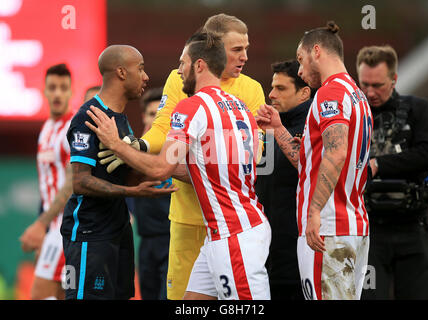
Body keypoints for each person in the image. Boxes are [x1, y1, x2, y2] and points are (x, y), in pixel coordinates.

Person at [86, 32, 271, 300]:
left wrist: (118, 145)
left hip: (234, 235)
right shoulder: (239, 106)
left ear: (199, 65)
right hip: (231, 229)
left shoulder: (189, 107)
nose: (178, 71)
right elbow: (209, 170)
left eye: (182, 63)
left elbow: (162, 169)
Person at [257, 21, 372, 300]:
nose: (299, 70)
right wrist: (279, 131)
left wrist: (314, 211)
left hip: (329, 228)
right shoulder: (357, 95)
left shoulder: (330, 93)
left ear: (316, 52)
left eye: (300, 59)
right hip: (353, 225)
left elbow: (336, 152)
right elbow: (316, 164)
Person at [60, 45, 177, 300]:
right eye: (141, 68)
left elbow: (121, 174)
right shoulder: (88, 117)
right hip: (90, 232)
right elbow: (80, 182)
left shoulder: (120, 120)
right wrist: (133, 192)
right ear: (122, 72)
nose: (146, 77)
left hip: (118, 230)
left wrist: (155, 173)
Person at [356, 45, 428, 300]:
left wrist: (378, 165)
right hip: (369, 232)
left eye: (378, 85)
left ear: (394, 80)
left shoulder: (417, 110)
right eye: (364, 84)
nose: (370, 92)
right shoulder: (354, 114)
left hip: (412, 228)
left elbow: (427, 155)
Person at [255, 59, 312, 300]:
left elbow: (310, 169)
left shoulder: (314, 126)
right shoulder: (268, 126)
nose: (271, 94)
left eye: (281, 88)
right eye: (272, 87)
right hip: (268, 247)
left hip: (301, 247)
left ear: (304, 93)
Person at [19, 63, 74, 300]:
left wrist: (41, 225)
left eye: (63, 87)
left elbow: (73, 183)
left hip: (66, 229)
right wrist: (44, 227)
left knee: (39, 295)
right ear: (44, 91)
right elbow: (47, 187)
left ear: (71, 91)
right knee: (63, 295)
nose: (58, 93)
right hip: (53, 229)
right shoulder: (46, 129)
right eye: (52, 87)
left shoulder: (71, 129)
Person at [132, 87, 171, 300]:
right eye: (151, 115)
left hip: (173, 240)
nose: (155, 121)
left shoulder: (177, 153)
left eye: (160, 116)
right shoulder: (133, 155)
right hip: (146, 242)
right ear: (143, 117)